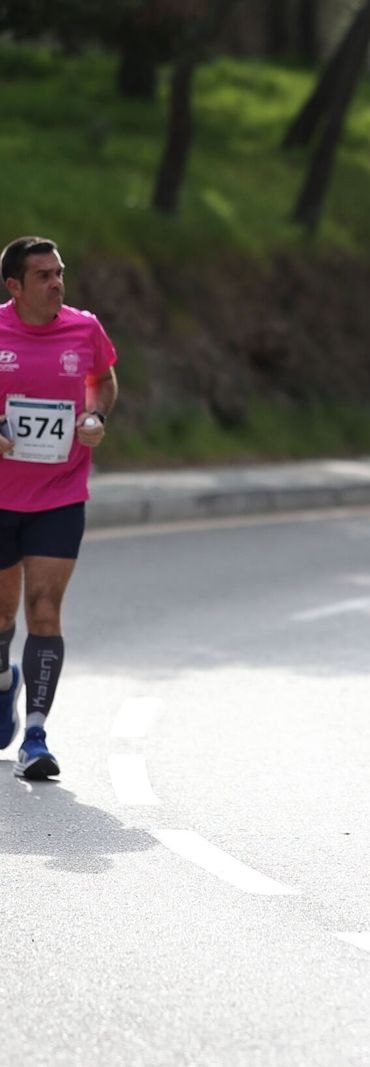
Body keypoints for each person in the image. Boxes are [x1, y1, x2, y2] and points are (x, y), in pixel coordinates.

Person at [0, 236, 118, 780]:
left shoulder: (84, 328)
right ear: (15, 286)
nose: (57, 284)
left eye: (59, 272)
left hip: (60, 493)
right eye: (43, 276)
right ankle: (5, 681)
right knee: (2, 614)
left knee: (44, 610)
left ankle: (36, 736)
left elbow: (102, 380)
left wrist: (95, 416)